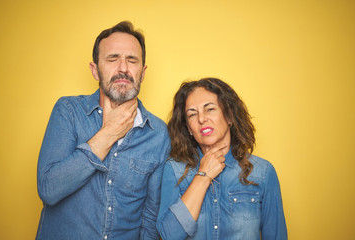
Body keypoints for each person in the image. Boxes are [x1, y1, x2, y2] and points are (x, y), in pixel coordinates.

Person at [36, 21, 170, 240]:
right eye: (112, 59)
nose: (123, 69)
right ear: (95, 70)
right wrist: (108, 134)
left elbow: (150, 217)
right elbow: (49, 190)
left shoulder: (158, 133)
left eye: (132, 60)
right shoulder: (68, 111)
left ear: (143, 72)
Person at [156, 78, 287, 240]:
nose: (201, 119)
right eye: (192, 114)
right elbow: (169, 235)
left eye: (209, 109)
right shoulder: (174, 170)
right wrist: (203, 176)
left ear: (230, 116)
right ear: (189, 129)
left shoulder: (262, 172)